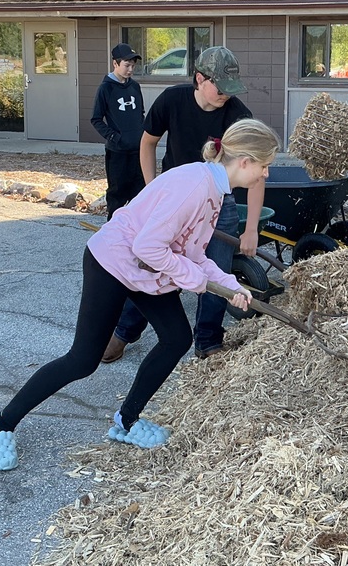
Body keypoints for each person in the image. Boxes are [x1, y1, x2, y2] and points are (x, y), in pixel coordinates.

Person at [0, 119, 279, 470]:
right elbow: (148, 247)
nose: (265, 174)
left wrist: (230, 286)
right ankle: (1, 424)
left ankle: (127, 420)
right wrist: (194, 280)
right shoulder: (195, 187)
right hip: (113, 262)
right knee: (83, 360)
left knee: (176, 338)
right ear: (245, 161)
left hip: (148, 271)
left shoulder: (214, 191)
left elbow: (193, 254)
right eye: (264, 166)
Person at [100, 46, 268, 363]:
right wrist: (151, 188)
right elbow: (148, 141)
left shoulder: (237, 116)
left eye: (231, 88)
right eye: (220, 87)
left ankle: (208, 340)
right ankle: (123, 332)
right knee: (156, 268)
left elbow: (257, 176)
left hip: (219, 202)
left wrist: (250, 229)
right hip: (176, 203)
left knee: (216, 270)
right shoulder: (172, 100)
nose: (226, 94)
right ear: (200, 79)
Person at [90, 43, 145, 219]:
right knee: (117, 194)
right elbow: (96, 119)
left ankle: (135, 229)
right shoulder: (106, 88)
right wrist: (114, 137)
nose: (130, 70)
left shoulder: (135, 87)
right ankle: (113, 229)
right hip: (118, 152)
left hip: (138, 150)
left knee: (140, 194)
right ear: (115, 63)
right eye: (127, 65)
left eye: (133, 66)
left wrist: (142, 135)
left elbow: (140, 113)